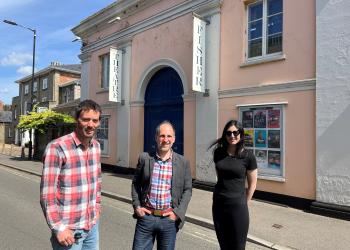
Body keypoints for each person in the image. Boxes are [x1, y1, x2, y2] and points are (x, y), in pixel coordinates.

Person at [40, 99, 102, 250]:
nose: (90, 124)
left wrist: (97, 208)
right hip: (68, 230)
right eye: (85, 119)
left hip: (91, 226)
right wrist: (58, 228)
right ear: (76, 120)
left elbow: (97, 182)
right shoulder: (57, 148)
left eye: (95, 120)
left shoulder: (96, 147)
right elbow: (47, 195)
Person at [131, 120, 192, 250]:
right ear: (156, 138)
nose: (165, 140)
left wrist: (177, 213)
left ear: (174, 139)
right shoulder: (145, 158)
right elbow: (136, 183)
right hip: (146, 217)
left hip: (168, 220)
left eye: (169, 136)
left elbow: (188, 190)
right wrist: (137, 206)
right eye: (162, 136)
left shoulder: (183, 162)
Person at [209, 120, 258, 250]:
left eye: (236, 132)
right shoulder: (218, 153)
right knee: (224, 245)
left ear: (241, 134)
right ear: (225, 135)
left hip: (238, 207)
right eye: (229, 133)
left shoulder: (248, 156)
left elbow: (253, 184)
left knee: (238, 246)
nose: (232, 136)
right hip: (219, 205)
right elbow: (220, 177)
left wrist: (243, 202)